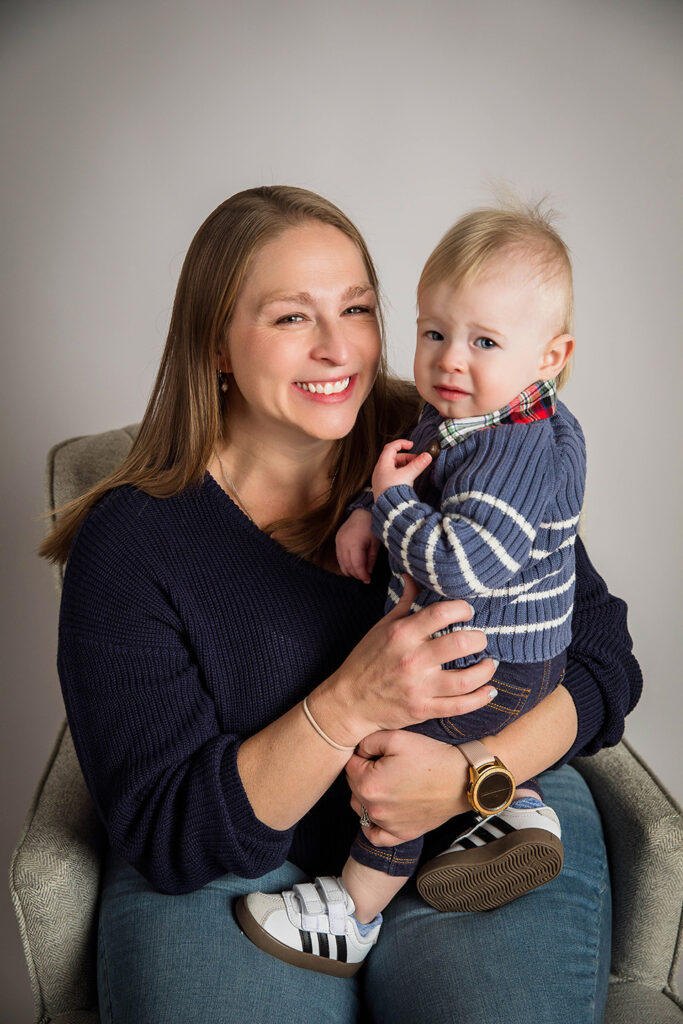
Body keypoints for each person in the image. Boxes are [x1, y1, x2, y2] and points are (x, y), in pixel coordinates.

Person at [42, 186, 641, 1024]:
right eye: (291, 317)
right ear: (215, 342)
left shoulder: (443, 432)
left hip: (484, 822)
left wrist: (475, 777)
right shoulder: (136, 542)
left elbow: (601, 652)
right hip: (240, 867)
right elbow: (167, 828)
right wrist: (350, 702)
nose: (336, 349)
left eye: (355, 308)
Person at [238, 203, 584, 970]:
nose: (448, 360)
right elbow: (417, 477)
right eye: (434, 332)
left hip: (492, 668)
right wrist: (370, 507)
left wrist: (387, 504)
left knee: (397, 763)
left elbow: (463, 563)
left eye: (483, 341)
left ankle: (354, 911)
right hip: (479, 655)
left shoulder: (511, 452)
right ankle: (513, 809)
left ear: (549, 356)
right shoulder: (465, 416)